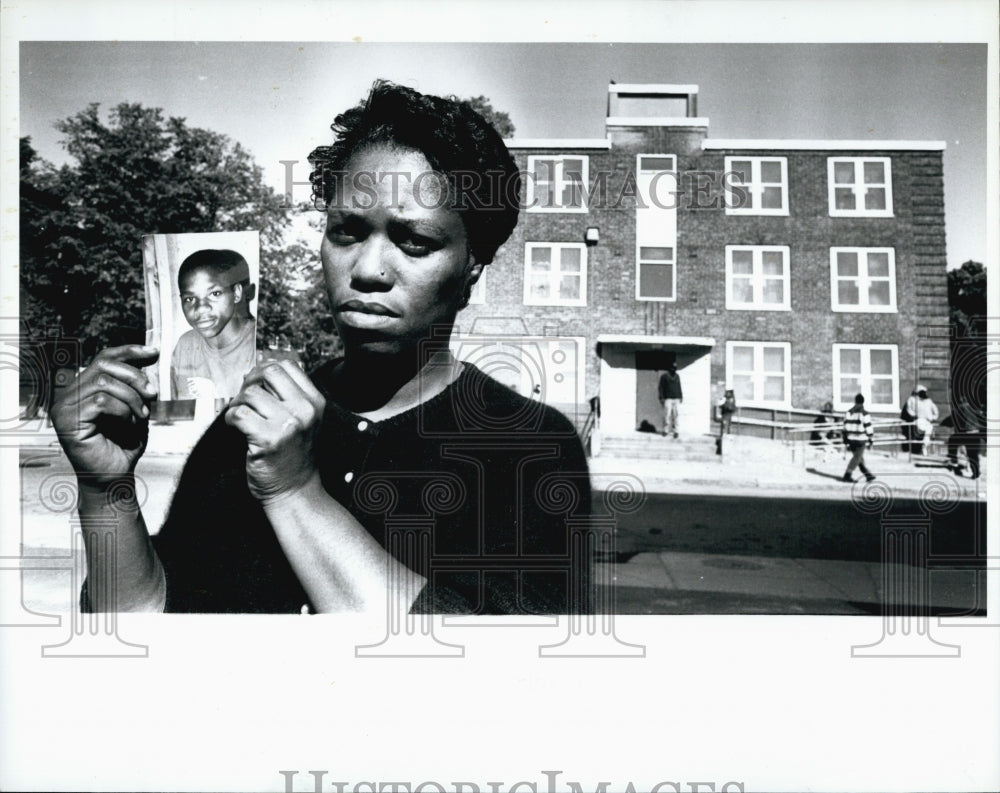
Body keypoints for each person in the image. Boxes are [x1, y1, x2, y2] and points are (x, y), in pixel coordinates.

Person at [51, 80, 592, 615]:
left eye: (415, 242)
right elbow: (148, 623)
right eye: (347, 232)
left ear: (471, 266)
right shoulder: (253, 421)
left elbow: (495, 669)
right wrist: (105, 488)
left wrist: (294, 490)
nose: (369, 270)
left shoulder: (529, 446)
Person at [169, 249, 257, 402]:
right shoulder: (185, 344)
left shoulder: (257, 344)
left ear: (237, 293)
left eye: (215, 294)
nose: (201, 308)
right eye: (189, 299)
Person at [944, 398, 983, 479]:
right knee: (973, 455)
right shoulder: (974, 409)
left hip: (966, 434)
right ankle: (976, 473)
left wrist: (943, 423)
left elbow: (951, 420)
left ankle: (953, 459)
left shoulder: (959, 408)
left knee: (952, 440)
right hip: (976, 433)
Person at [842, 393, 876, 483]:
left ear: (855, 401)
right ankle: (847, 474)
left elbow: (844, 426)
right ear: (863, 402)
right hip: (861, 439)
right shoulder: (864, 413)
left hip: (850, 438)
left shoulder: (849, 412)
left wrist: (845, 439)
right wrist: (871, 439)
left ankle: (868, 474)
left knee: (858, 458)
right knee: (857, 457)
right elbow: (868, 427)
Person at [912, 385, 940, 456]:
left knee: (929, 429)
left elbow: (935, 411)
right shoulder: (913, 401)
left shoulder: (929, 401)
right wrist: (914, 416)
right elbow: (910, 411)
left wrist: (933, 417)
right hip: (918, 420)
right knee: (925, 429)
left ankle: (924, 446)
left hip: (927, 421)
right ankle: (923, 446)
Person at [657, 363, 683, 438]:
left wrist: (681, 396)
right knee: (667, 415)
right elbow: (660, 388)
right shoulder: (664, 377)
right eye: (672, 368)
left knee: (676, 415)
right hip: (668, 398)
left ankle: (676, 431)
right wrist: (661, 397)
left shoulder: (677, 376)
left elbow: (679, 386)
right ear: (669, 368)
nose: (673, 369)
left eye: (675, 368)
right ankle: (665, 430)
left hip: (676, 398)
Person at [714, 388, 736, 454]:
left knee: (725, 433)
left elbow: (730, 408)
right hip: (725, 417)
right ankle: (720, 448)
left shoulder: (731, 400)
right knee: (723, 432)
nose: (726, 394)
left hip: (727, 418)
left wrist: (723, 404)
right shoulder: (726, 399)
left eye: (727, 393)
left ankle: (721, 449)